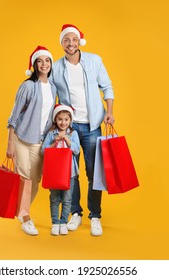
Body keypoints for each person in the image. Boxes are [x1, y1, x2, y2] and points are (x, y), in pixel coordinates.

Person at [52, 24, 115, 236]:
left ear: (79, 41)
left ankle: (95, 215)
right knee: (71, 173)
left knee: (93, 172)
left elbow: (107, 86)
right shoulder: (56, 67)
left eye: (74, 39)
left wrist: (109, 111)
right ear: (61, 43)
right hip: (69, 128)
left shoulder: (94, 61)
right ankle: (75, 213)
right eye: (66, 40)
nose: (70, 44)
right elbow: (51, 97)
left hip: (92, 126)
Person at [6, 46, 57, 236]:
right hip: (21, 138)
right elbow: (14, 115)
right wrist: (10, 143)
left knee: (35, 180)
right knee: (25, 178)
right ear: (35, 65)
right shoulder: (27, 86)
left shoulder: (53, 87)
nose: (44, 64)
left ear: (50, 64)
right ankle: (26, 217)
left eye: (47, 61)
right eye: (40, 61)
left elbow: (49, 115)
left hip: (39, 140)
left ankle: (20, 210)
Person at [42, 104, 80, 236]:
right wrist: (54, 142)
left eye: (66, 119)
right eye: (60, 119)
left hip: (69, 172)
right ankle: (55, 223)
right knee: (54, 199)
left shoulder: (73, 133)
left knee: (67, 199)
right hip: (54, 173)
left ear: (70, 120)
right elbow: (43, 151)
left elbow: (77, 150)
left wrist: (68, 141)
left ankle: (63, 223)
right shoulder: (51, 134)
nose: (63, 122)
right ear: (55, 120)